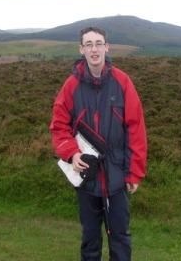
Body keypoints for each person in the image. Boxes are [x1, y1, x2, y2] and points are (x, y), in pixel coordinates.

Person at [49, 26, 147, 261]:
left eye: (99, 43)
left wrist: (134, 173)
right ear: (81, 49)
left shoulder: (123, 82)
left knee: (120, 238)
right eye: (89, 44)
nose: (94, 49)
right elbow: (59, 126)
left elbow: (136, 128)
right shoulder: (71, 86)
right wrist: (72, 154)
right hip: (87, 178)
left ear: (107, 47)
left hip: (117, 178)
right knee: (90, 240)